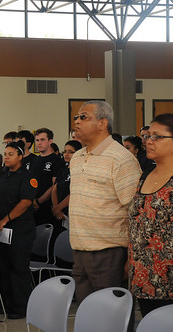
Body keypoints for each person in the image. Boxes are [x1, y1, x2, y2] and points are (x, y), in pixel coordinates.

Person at [69, 100, 141, 303]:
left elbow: (135, 211)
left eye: (84, 117)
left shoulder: (120, 158)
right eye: (76, 117)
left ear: (102, 123)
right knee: (87, 315)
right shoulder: (76, 157)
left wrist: (131, 257)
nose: (77, 121)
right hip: (79, 249)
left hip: (108, 253)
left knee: (110, 316)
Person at [128, 113, 173, 317]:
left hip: (168, 277)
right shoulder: (145, 175)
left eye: (157, 136)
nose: (148, 141)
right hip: (143, 275)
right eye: (148, 136)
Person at [0, 140, 38, 319]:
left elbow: (25, 202)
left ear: (20, 157)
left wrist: (6, 219)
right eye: (6, 154)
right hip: (1, 229)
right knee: (4, 267)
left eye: (11, 154)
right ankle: (6, 303)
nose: (7, 157)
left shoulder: (27, 176)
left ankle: (21, 307)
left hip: (20, 230)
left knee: (19, 268)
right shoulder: (1, 176)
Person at [51, 140, 82, 222]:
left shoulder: (80, 171)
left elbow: (75, 193)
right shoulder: (62, 170)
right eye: (64, 152)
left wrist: (58, 208)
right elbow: (55, 189)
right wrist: (55, 207)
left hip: (72, 211)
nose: (66, 154)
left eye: (70, 152)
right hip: (59, 212)